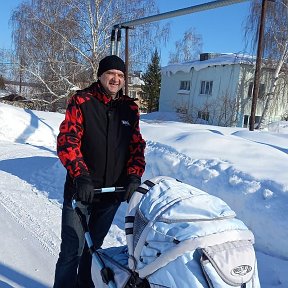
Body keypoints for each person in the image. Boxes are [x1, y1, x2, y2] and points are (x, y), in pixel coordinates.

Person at [53, 55, 146, 288]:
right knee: (72, 251)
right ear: (100, 76)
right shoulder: (81, 101)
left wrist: (134, 176)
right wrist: (81, 176)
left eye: (121, 75)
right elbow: (68, 140)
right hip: (81, 191)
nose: (116, 79)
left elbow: (136, 146)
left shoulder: (129, 108)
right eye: (111, 74)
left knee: (93, 251)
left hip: (111, 194)